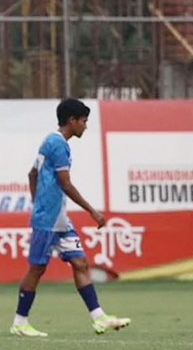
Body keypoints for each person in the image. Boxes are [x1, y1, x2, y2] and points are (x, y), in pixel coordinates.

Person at [9, 98, 131, 337]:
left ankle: (99, 317)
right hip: (48, 219)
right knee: (37, 268)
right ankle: (20, 322)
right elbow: (65, 183)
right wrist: (92, 211)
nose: (85, 126)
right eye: (84, 121)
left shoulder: (50, 141)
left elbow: (32, 173)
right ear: (72, 121)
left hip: (58, 217)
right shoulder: (58, 145)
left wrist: (37, 201)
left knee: (80, 262)